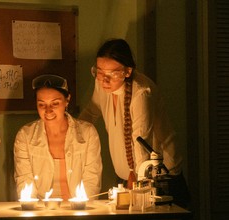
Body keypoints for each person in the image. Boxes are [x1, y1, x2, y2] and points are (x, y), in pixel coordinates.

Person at [79, 38, 190, 207]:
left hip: (156, 176)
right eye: (99, 72)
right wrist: (69, 134)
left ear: (127, 71)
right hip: (127, 173)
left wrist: (139, 185)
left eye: (112, 74)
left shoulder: (141, 93)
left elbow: (141, 142)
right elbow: (91, 112)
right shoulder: (102, 83)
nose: (104, 80)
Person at [14, 74, 102, 200]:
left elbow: (92, 180)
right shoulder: (25, 136)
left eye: (55, 103)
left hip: (78, 210)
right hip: (41, 211)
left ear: (67, 100)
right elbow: (24, 181)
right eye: (42, 104)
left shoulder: (87, 133)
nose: (48, 110)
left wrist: (81, 210)